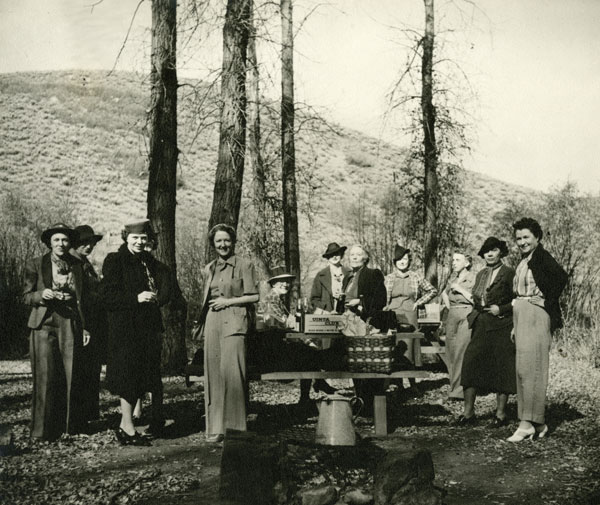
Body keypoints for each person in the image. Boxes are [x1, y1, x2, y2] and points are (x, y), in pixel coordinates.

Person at [100, 220, 171, 446]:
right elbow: (107, 297)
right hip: (125, 331)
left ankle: (126, 426)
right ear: (126, 238)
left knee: (140, 378)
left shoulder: (147, 262)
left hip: (146, 330)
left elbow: (163, 283)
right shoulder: (115, 261)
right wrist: (136, 298)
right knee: (128, 378)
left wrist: (158, 296)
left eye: (143, 239)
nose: (140, 242)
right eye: (135, 238)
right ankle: (127, 427)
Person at [23, 223, 90, 440]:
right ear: (49, 243)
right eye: (56, 240)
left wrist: (86, 325)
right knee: (45, 375)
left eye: (65, 240)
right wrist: (41, 295)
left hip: (69, 321)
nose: (61, 244)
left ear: (70, 243)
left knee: (71, 374)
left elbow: (87, 298)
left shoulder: (78, 264)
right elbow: (24, 296)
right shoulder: (35, 264)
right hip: (43, 322)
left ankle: (70, 427)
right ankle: (41, 431)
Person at [195, 224, 259, 443]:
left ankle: (235, 430)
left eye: (226, 240)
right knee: (213, 375)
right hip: (213, 323)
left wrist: (228, 301)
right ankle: (215, 428)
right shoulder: (209, 268)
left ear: (233, 242)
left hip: (235, 321)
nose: (222, 245)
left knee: (233, 375)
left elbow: (253, 296)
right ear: (213, 245)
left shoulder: (245, 265)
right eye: (218, 241)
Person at [507, 218, 567, 442]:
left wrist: (546, 300)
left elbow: (561, 278)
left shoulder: (541, 257)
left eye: (526, 237)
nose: (522, 242)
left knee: (533, 369)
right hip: (521, 315)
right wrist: (515, 325)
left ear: (537, 237)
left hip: (536, 316)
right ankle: (538, 423)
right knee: (522, 370)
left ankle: (526, 424)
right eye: (518, 238)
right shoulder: (524, 260)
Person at [458, 237, 516, 427]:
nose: (490, 254)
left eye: (494, 250)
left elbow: (518, 300)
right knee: (470, 363)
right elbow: (476, 296)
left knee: (502, 367)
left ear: (501, 252)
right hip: (481, 323)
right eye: (486, 251)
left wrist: (502, 308)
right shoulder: (481, 273)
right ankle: (468, 413)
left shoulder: (509, 273)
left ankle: (500, 415)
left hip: (502, 325)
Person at [343, 244, 387, 408]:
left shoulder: (372, 274)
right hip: (348, 323)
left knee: (366, 361)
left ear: (365, 258)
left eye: (358, 254)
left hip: (365, 322)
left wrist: (360, 302)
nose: (354, 257)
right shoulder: (348, 277)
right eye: (351, 254)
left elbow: (380, 299)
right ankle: (360, 398)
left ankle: (370, 404)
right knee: (354, 361)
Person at [70, 224, 105, 424]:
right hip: (81, 325)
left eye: (91, 243)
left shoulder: (86, 264)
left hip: (94, 325)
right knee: (81, 372)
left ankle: (89, 416)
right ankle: (79, 418)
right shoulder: (73, 265)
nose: (89, 247)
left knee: (92, 372)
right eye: (84, 243)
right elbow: (79, 298)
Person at [384, 244, 437, 367]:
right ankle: (397, 383)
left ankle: (412, 382)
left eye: (405, 259)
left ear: (409, 261)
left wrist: (419, 302)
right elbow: (381, 298)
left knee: (410, 348)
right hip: (393, 315)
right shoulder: (388, 278)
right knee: (394, 347)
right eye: (399, 259)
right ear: (395, 262)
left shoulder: (415, 276)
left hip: (410, 315)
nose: (402, 262)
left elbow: (432, 290)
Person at [441, 252, 475, 400]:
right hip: (452, 316)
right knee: (450, 352)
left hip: (466, 315)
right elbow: (443, 293)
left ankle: (459, 391)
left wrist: (460, 289)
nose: (454, 262)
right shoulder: (453, 278)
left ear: (466, 263)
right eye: (453, 260)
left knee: (461, 352)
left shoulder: (473, 278)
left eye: (457, 260)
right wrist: (449, 307)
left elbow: (476, 300)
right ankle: (454, 387)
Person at [310, 242, 351, 313]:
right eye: (331, 255)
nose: (334, 257)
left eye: (337, 254)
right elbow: (314, 299)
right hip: (327, 316)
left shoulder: (350, 273)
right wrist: (324, 310)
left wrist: (345, 297)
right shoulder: (320, 275)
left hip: (347, 314)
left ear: (341, 255)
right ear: (328, 258)